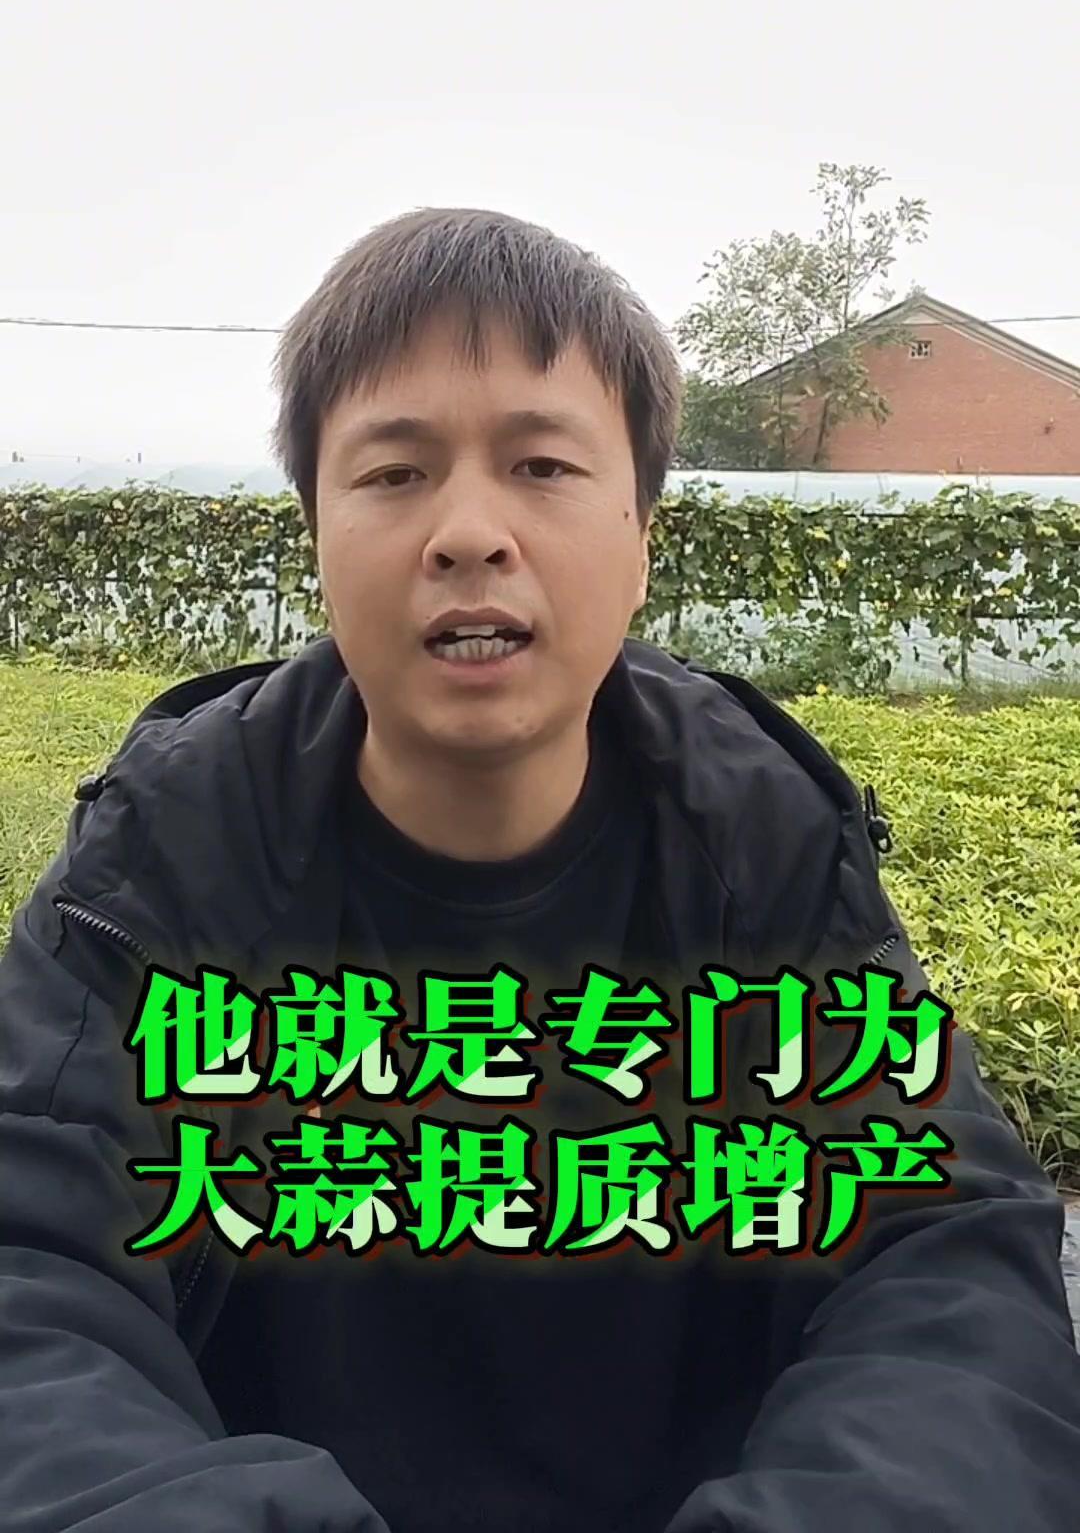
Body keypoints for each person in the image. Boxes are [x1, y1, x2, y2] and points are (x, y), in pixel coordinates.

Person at [1, 206, 1078, 1533]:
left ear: (641, 534)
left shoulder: (759, 842)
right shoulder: (170, 851)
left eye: (543, 465)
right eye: (396, 473)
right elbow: (31, 1279)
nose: (469, 532)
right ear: (317, 533)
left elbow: (941, 1263)